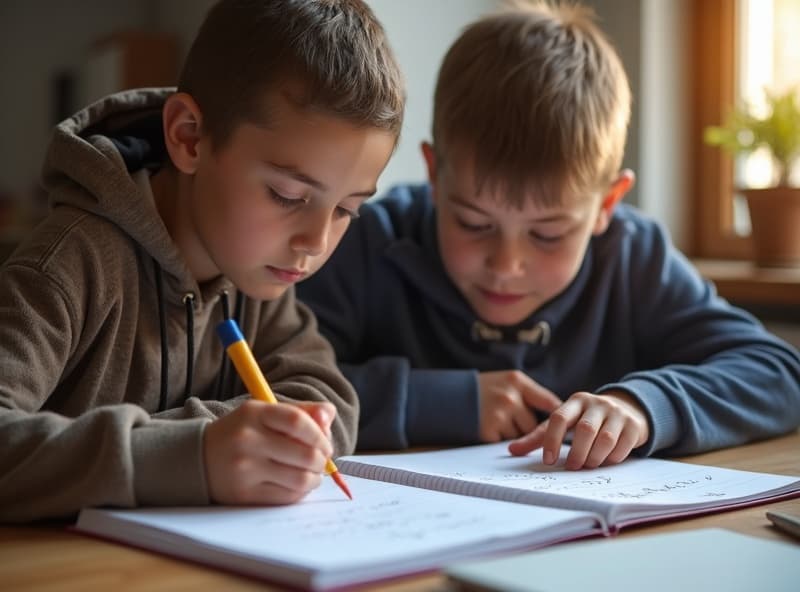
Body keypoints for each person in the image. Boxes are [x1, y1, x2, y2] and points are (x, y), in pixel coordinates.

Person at [297, 0, 800, 469]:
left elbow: (778, 373)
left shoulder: (632, 256)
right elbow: (271, 378)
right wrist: (442, 402)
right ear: (434, 174)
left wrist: (644, 406)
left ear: (606, 205)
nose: (506, 265)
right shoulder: (370, 242)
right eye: (474, 223)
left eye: (548, 234)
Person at [0, 0, 404, 522]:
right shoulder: (67, 267)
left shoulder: (259, 273)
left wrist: (246, 440)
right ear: (189, 137)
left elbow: (328, 399)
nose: (315, 241)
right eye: (286, 195)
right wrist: (194, 453)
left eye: (347, 209)